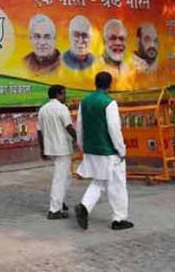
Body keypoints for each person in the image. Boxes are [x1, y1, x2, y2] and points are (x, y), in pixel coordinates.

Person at [74, 72, 134, 231]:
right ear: (110, 85)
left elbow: (79, 126)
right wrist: (121, 150)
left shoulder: (84, 102)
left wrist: (82, 146)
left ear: (95, 83)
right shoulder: (109, 103)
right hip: (109, 152)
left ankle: (84, 206)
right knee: (118, 184)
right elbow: (114, 128)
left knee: (100, 181)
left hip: (91, 149)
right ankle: (119, 219)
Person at [37, 85, 76, 220]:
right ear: (58, 95)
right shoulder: (62, 108)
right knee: (60, 178)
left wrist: (42, 149)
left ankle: (60, 201)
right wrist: (78, 139)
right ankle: (54, 210)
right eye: (64, 94)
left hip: (51, 148)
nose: (65, 96)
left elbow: (39, 132)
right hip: (62, 148)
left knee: (67, 176)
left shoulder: (43, 109)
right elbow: (69, 126)